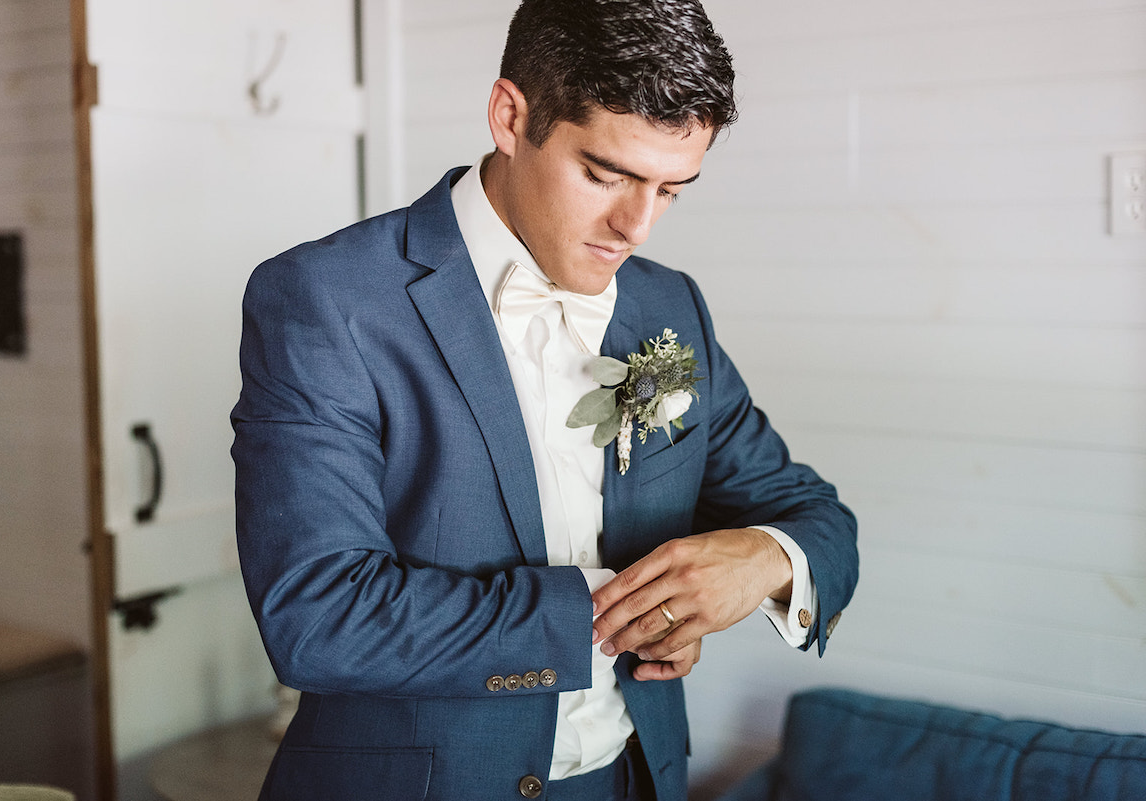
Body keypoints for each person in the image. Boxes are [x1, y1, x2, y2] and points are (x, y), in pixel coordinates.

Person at [231, 1, 858, 799]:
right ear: (509, 116)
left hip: (632, 779)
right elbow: (318, 617)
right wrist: (633, 609)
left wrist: (765, 560)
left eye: (673, 189)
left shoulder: (672, 309)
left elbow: (817, 517)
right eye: (606, 174)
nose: (637, 226)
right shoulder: (326, 298)